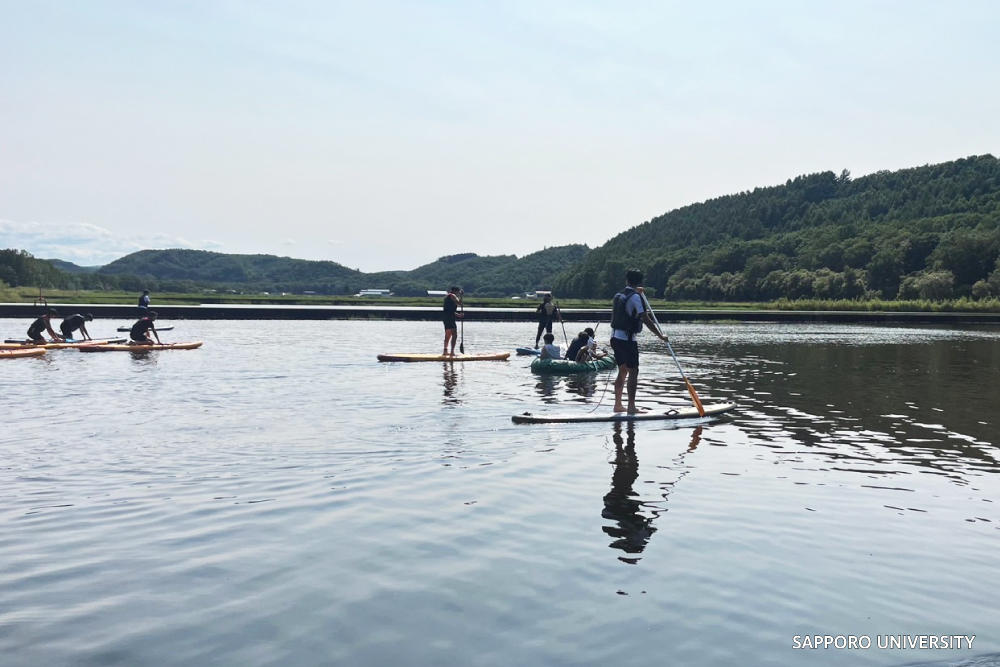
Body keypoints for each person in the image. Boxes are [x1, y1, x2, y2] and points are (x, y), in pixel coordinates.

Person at [610, 268, 668, 413]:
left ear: (626, 280)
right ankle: (631, 407)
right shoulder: (635, 297)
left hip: (615, 338)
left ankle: (617, 405)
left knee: (622, 370)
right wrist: (660, 336)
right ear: (640, 281)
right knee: (633, 371)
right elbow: (646, 319)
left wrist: (638, 292)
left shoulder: (619, 295)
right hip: (627, 340)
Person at [442, 286, 463, 356]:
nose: (458, 294)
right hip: (450, 318)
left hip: (445, 317)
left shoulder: (446, 297)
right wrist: (461, 296)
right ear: (455, 291)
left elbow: (450, 310)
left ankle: (445, 351)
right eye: (458, 292)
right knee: (454, 334)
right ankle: (452, 352)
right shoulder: (453, 295)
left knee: (448, 334)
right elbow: (459, 303)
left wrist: (458, 315)